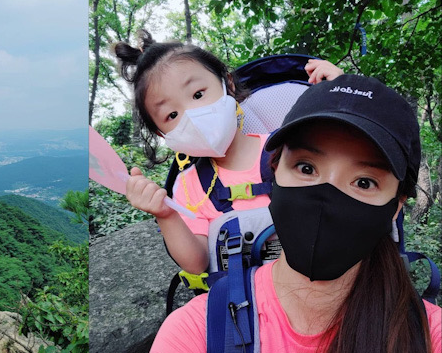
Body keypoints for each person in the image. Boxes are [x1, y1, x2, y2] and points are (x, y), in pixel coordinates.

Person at [140, 74, 441, 353]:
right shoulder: (196, 334)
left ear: (395, 208)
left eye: (365, 182)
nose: (326, 198)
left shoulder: (429, 337)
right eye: (306, 168)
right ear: (275, 171)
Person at [113, 30, 343, 274]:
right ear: (162, 135)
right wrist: (165, 215)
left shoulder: (287, 146)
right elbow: (197, 262)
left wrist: (342, 96)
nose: (193, 116)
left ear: (228, 84)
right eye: (172, 115)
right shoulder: (190, 187)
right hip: (250, 301)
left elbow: (349, 169)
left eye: (198, 94)